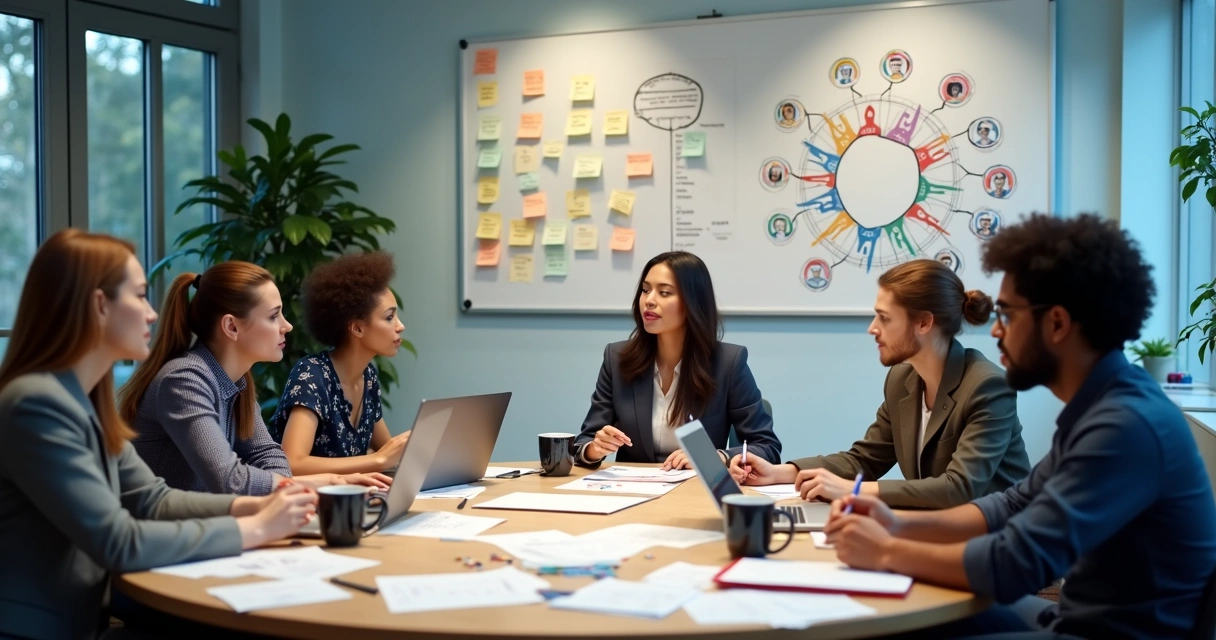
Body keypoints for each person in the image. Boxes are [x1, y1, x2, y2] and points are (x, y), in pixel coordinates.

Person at [825, 214, 1216, 638]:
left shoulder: (1125, 426)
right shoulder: (1104, 405)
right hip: (1071, 618)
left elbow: (1016, 564)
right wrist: (897, 524)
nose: (995, 330)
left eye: (1007, 315)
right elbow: (1011, 504)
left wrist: (886, 551)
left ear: (1057, 323)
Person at [0, 230, 315, 639]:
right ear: (99, 305)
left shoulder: (81, 399)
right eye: (139, 296)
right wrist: (254, 529)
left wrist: (257, 510)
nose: (152, 314)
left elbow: (154, 499)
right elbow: (118, 541)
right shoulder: (37, 405)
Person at [731, 260, 1029, 509]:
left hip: (1002, 546)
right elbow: (865, 459)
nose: (872, 328)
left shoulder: (988, 386)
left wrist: (853, 490)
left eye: (884, 318)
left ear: (924, 323)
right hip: (936, 528)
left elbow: (959, 488)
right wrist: (778, 472)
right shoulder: (903, 379)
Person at [120, 261, 390, 496]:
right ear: (232, 326)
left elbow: (268, 456)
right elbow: (230, 481)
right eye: (274, 316)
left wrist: (298, 485)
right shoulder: (183, 381)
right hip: (164, 545)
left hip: (204, 532)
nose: (287, 325)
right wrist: (321, 483)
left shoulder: (237, 382)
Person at [574, 251, 781, 470]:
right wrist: (595, 449)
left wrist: (716, 457)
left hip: (696, 494)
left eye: (664, 292)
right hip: (634, 494)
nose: (649, 300)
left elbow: (767, 447)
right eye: (645, 290)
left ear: (693, 302)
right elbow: (583, 443)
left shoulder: (728, 364)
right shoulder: (617, 359)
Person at [270, 252, 412, 475]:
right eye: (389, 317)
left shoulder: (368, 377)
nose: (400, 326)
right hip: (304, 505)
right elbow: (292, 463)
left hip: (349, 503)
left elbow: (388, 452)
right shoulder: (312, 374)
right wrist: (377, 460)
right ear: (357, 328)